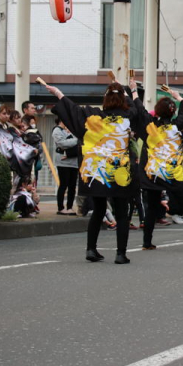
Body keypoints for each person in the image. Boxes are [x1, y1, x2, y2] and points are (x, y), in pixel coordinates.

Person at [45, 78, 141, 264]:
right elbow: (135, 108)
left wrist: (58, 93)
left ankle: (91, 249)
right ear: (122, 100)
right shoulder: (129, 117)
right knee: (121, 213)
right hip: (119, 172)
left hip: (96, 172)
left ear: (105, 100)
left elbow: (73, 111)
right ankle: (120, 254)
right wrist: (128, 90)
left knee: (98, 210)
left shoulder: (93, 116)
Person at [135, 87, 183, 252]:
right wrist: (177, 96)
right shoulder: (177, 126)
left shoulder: (150, 127)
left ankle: (147, 242)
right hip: (174, 173)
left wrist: (134, 91)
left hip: (153, 173)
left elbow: (140, 110)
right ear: (172, 112)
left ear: (156, 112)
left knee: (152, 208)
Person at [52, 118, 80, 215]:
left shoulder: (72, 130)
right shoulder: (57, 130)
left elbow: (80, 144)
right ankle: (60, 208)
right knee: (63, 184)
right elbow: (62, 144)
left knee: (72, 186)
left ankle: (70, 207)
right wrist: (76, 140)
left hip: (74, 162)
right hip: (63, 162)